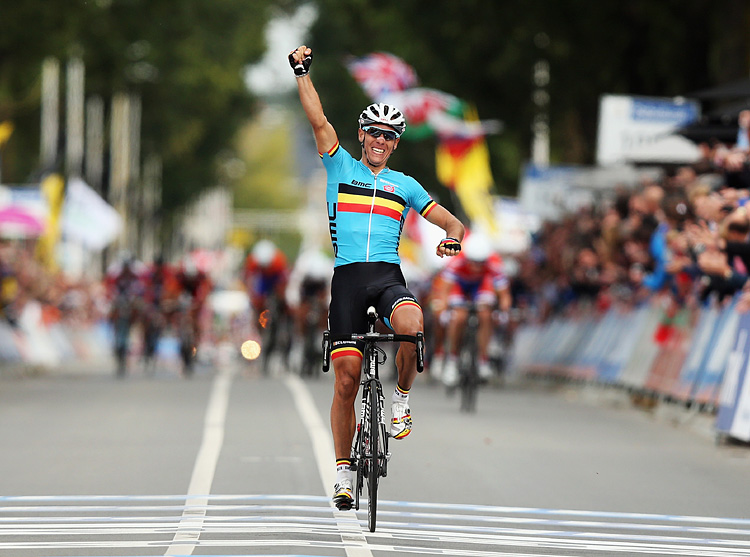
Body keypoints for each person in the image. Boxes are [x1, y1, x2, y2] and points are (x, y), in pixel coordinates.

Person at [290, 45, 465, 511]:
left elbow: (451, 222)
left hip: (387, 277)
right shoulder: (338, 166)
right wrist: (302, 72)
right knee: (346, 380)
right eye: (373, 134)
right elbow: (318, 119)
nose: (379, 142)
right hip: (347, 279)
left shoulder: (405, 185)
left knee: (414, 324)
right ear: (362, 136)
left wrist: (453, 237)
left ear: (395, 143)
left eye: (389, 136)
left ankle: (402, 399)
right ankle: (344, 473)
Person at [437, 233, 511, 386]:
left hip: (481, 287)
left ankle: (483, 360)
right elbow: (444, 290)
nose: (477, 267)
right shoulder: (457, 261)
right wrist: (444, 310)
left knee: (485, 314)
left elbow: (504, 294)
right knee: (459, 317)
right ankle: (452, 360)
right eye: (473, 262)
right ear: (467, 258)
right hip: (460, 287)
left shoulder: (494, 262)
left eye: (480, 263)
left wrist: (504, 311)